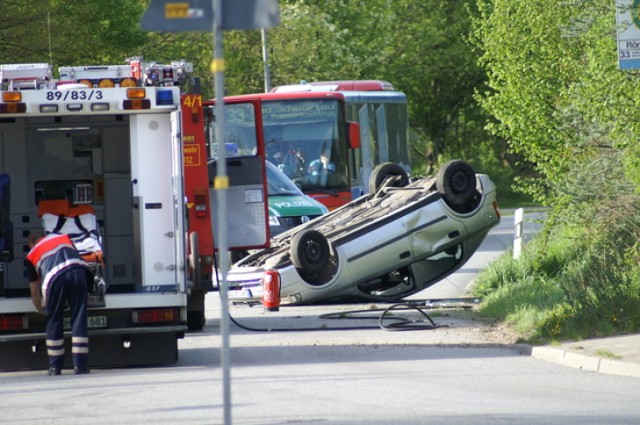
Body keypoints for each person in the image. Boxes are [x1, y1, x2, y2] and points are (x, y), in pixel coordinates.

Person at [26, 231, 91, 376]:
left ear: (32, 244)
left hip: (55, 278)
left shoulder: (32, 255)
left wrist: (40, 308)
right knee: (79, 317)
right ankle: (80, 366)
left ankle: (55, 367)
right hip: (78, 272)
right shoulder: (63, 237)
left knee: (55, 319)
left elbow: (34, 291)